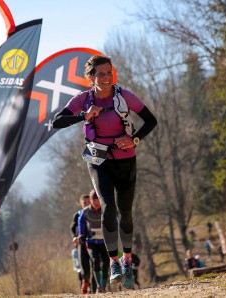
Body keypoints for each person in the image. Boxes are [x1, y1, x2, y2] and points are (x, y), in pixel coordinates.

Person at [53, 55, 157, 289]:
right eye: (101, 74)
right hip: (98, 160)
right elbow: (57, 121)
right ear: (91, 78)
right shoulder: (83, 99)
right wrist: (84, 115)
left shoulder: (124, 96)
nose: (106, 78)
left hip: (125, 160)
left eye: (109, 73)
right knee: (108, 206)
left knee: (125, 212)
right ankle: (114, 263)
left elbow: (151, 120)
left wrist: (134, 139)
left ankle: (127, 260)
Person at [78, 189, 110, 293]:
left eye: (98, 200)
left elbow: (114, 222)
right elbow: (81, 224)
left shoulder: (106, 209)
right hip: (91, 242)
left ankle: (103, 287)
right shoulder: (85, 212)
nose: (96, 203)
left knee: (105, 263)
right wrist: (81, 235)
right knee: (95, 261)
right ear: (91, 200)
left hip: (105, 242)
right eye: (94, 200)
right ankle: (99, 287)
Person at [70, 194, 93, 294]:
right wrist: (74, 237)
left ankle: (95, 288)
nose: (86, 204)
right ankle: (84, 285)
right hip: (81, 243)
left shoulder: (95, 213)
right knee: (83, 267)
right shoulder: (78, 214)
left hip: (93, 242)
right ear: (81, 203)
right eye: (84, 202)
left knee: (95, 264)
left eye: (88, 202)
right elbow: (72, 228)